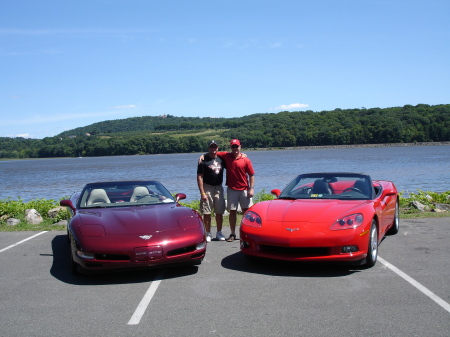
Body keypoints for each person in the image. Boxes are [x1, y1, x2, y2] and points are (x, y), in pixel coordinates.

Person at [216, 139, 255, 242]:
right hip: (231, 189)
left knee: (246, 212)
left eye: (236, 146)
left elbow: (251, 175)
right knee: (232, 212)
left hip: (244, 190)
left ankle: (246, 233)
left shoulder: (246, 160)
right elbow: (214, 152)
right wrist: (203, 156)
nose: (235, 149)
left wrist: (251, 188)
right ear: (230, 148)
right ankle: (232, 233)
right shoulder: (227, 156)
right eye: (233, 147)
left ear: (240, 147)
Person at [197, 140, 226, 242]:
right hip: (207, 188)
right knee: (207, 212)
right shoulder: (203, 160)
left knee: (219, 212)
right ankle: (208, 233)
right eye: (211, 147)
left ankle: (219, 232)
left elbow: (232, 157)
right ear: (208, 148)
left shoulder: (222, 159)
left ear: (217, 148)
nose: (213, 149)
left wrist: (242, 154)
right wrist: (202, 192)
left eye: (215, 147)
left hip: (219, 188)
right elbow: (199, 177)